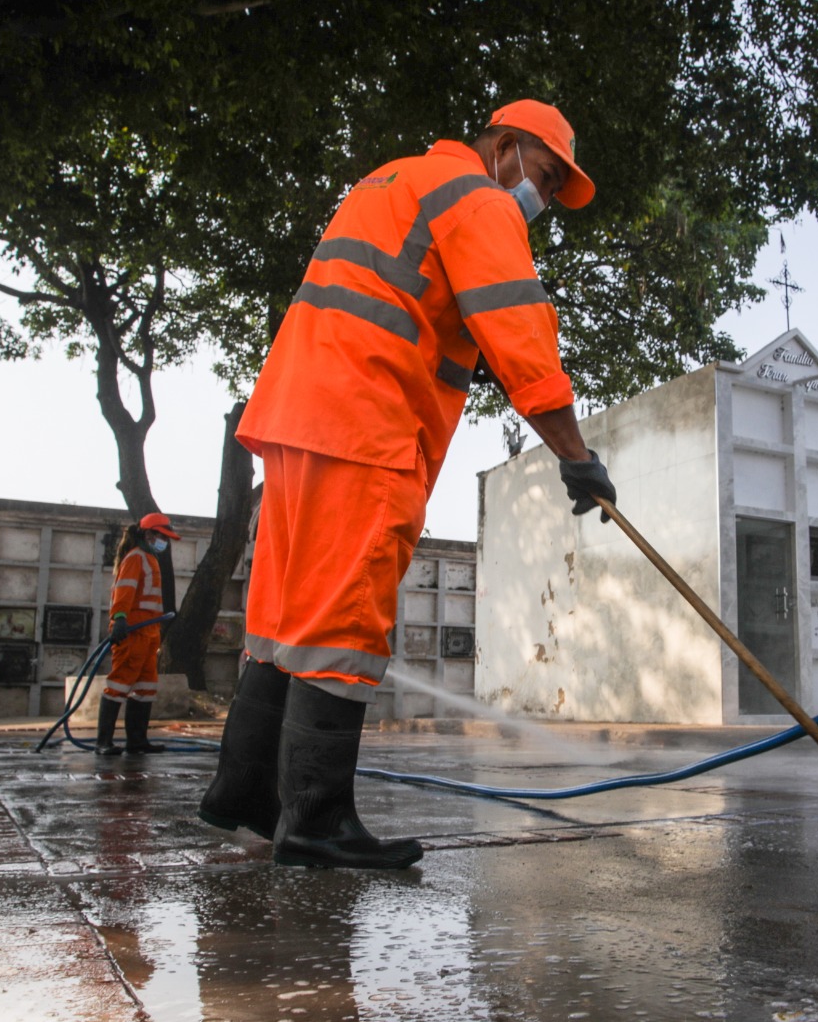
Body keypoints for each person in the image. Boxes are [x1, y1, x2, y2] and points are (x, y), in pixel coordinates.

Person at [198, 99, 616, 870]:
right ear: (507, 146)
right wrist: (575, 454)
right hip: (367, 423)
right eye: (548, 177)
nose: (545, 199)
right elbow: (520, 329)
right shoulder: (482, 200)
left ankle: (245, 791)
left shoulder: (393, 180)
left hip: (296, 414)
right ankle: (316, 819)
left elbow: (407, 299)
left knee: (285, 616)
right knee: (343, 620)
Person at [97, 512, 180, 756]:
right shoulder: (136, 558)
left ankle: (137, 741)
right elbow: (124, 591)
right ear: (149, 534)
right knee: (119, 683)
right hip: (132, 631)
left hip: (149, 631)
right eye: (162, 536)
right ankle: (103, 742)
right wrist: (120, 618)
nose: (164, 541)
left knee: (145, 687)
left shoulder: (149, 558)